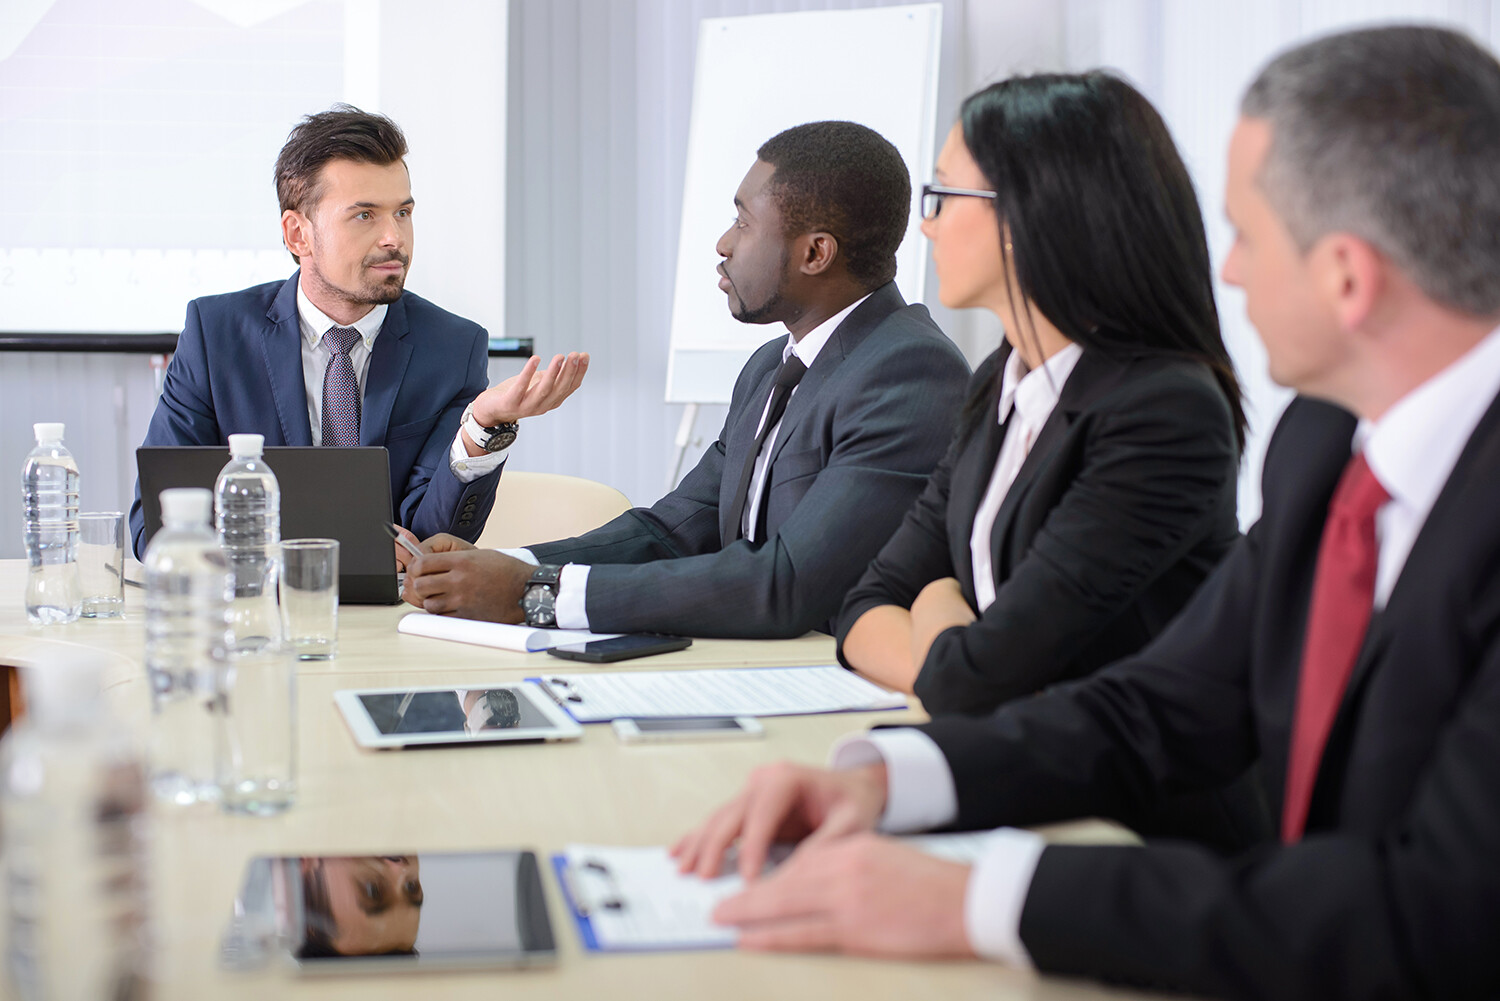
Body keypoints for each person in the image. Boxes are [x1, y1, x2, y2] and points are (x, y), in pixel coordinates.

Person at [672, 26, 1500, 1001]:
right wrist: (888, 779)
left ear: (1347, 276)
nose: (1225, 273)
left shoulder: (1200, 413)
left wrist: (975, 900)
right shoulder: (1326, 443)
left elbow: (1442, 909)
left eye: (1246, 235)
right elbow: (1163, 702)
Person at [402, 122, 970, 639]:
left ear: (815, 253)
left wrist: (533, 595)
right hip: (752, 667)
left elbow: (786, 583)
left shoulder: (910, 373)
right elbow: (672, 531)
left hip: (837, 694)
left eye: (744, 223)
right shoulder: (771, 367)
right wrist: (511, 567)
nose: (724, 243)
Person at [838, 73, 1246, 720]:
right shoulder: (1001, 381)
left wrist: (938, 602)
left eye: (943, 195)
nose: (926, 225)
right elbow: (865, 607)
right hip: (1008, 769)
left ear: (1024, 212)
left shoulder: (1164, 411)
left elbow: (977, 676)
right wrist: (951, 656)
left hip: (1127, 809)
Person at [128, 105, 587, 560]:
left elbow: (435, 539)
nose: (395, 238)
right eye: (365, 215)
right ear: (297, 235)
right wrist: (298, 561)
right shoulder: (217, 335)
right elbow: (155, 527)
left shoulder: (452, 347)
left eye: (403, 213)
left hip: (389, 623)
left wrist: (480, 428)